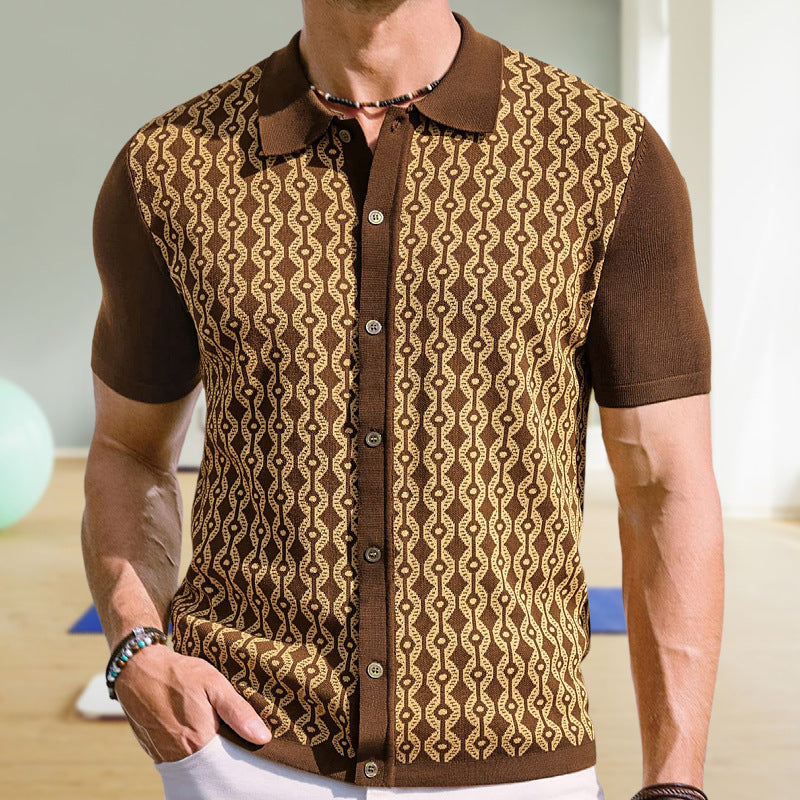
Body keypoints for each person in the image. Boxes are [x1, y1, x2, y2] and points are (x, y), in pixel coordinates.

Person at [82, 1, 724, 799]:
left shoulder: (604, 158)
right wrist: (134, 648)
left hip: (517, 758)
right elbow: (126, 449)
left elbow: (665, 485)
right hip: (244, 753)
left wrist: (676, 784)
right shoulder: (172, 167)